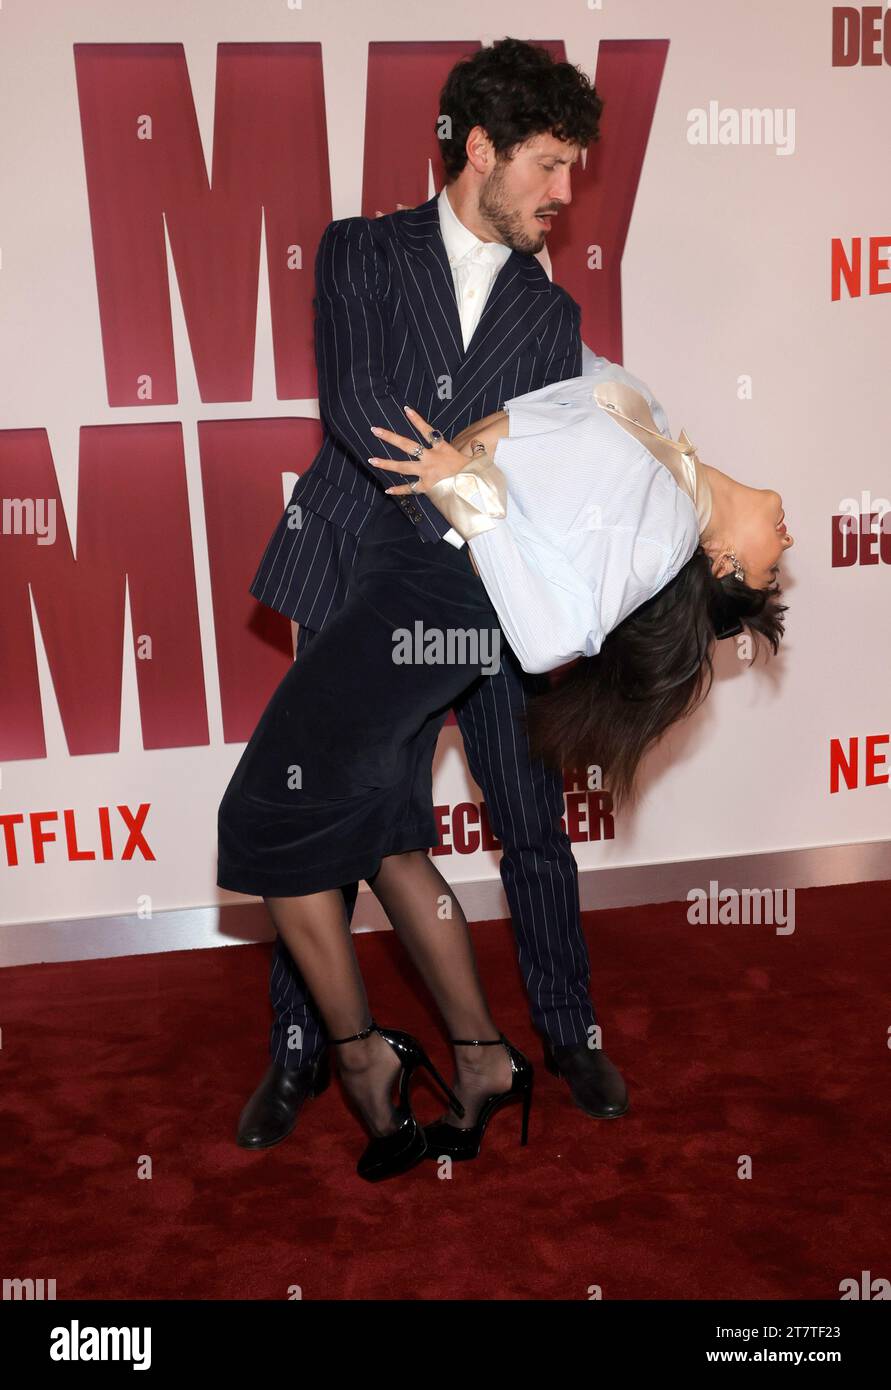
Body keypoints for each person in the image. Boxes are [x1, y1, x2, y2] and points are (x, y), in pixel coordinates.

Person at [217, 354, 791, 1181]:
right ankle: (484, 1059)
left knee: (265, 816)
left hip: (438, 599)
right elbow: (550, 403)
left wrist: (471, 495)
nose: (789, 542)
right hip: (406, 555)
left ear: (725, 566)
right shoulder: (660, 433)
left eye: (771, 567)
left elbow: (555, 634)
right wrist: (470, 456)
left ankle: (359, 1057)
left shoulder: (665, 534)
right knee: (383, 831)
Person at [235, 36, 622, 1157]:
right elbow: (359, 405)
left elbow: (546, 471)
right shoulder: (359, 250)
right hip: (367, 584)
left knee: (532, 824)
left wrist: (484, 513)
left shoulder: (550, 318)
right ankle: (304, 1048)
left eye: (575, 169)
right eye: (548, 164)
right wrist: (462, 499)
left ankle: (567, 1028)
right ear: (481, 149)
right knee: (330, 825)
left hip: (496, 610)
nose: (564, 192)